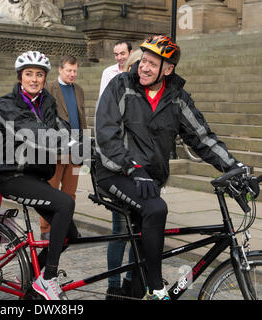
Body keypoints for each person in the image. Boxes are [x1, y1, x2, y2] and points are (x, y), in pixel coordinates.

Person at [95, 35, 247, 300]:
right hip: (114, 172)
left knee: (145, 243)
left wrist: (235, 166)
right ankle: (155, 288)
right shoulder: (122, 86)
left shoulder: (176, 97)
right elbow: (106, 135)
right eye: (143, 60)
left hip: (149, 179)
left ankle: (135, 289)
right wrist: (134, 169)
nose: (143, 67)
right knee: (156, 208)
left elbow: (202, 137)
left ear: (168, 69)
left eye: (152, 64)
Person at [0, 51, 81, 300]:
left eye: (39, 74)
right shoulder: (7, 104)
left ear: (44, 78)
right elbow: (35, 130)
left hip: (35, 176)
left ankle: (32, 275)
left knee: (69, 235)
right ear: (20, 77)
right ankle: (49, 278)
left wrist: (85, 143)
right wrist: (66, 142)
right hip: (10, 176)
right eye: (29, 74)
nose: (34, 79)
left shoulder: (48, 102)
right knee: (66, 203)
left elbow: (60, 126)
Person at [105, 48, 143, 300]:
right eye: (138, 65)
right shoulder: (119, 90)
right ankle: (114, 286)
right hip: (121, 172)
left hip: (145, 175)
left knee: (139, 234)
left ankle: (131, 281)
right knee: (120, 232)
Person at [39, 55, 87, 241]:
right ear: (60, 69)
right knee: (50, 190)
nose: (72, 74)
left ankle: (67, 226)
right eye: (69, 70)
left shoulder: (79, 90)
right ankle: (46, 228)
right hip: (56, 150)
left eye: (75, 71)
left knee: (70, 192)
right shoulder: (49, 88)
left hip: (75, 150)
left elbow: (81, 117)